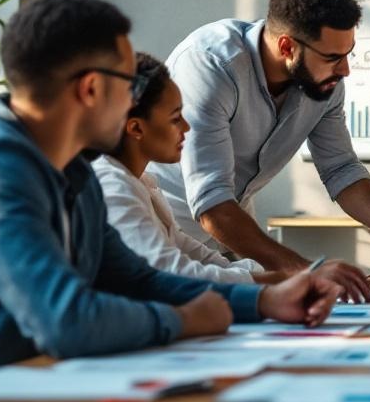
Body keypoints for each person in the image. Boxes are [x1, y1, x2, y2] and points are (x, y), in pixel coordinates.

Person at [0, 0, 340, 392]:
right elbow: (65, 320)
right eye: (129, 84)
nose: (133, 102)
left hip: (20, 390)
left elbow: (137, 280)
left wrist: (264, 299)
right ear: (91, 89)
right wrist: (181, 321)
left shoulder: (75, 168)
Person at [147, 0, 370, 302]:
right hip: (162, 235)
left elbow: (341, 170)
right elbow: (212, 205)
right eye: (333, 57)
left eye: (348, 54)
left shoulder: (323, 82)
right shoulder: (211, 65)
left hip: (226, 240)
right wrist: (308, 271)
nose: (345, 70)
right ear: (287, 46)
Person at [93, 53, 287, 284]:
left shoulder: (143, 183)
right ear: (136, 128)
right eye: (175, 119)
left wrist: (281, 275)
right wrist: (267, 281)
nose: (186, 127)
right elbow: (170, 273)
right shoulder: (112, 186)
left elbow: (198, 258)